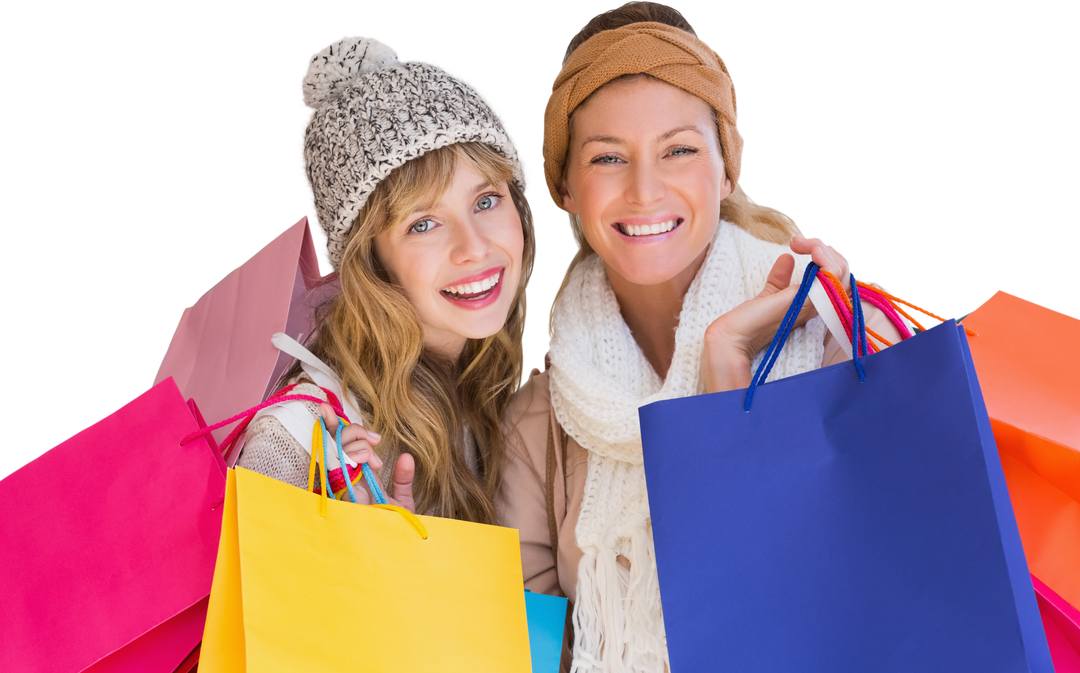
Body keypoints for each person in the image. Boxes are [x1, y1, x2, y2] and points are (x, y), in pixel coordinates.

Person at [496, 2, 905, 670]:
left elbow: (866, 586)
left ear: (727, 168)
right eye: (607, 158)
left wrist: (733, 373)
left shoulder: (843, 338)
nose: (644, 189)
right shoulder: (542, 418)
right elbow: (529, 655)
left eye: (679, 149)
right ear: (565, 186)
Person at [238, 33, 537, 525]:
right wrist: (357, 557)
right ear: (371, 260)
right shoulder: (299, 441)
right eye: (423, 224)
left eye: (486, 200)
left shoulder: (499, 384)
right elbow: (243, 599)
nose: (475, 248)